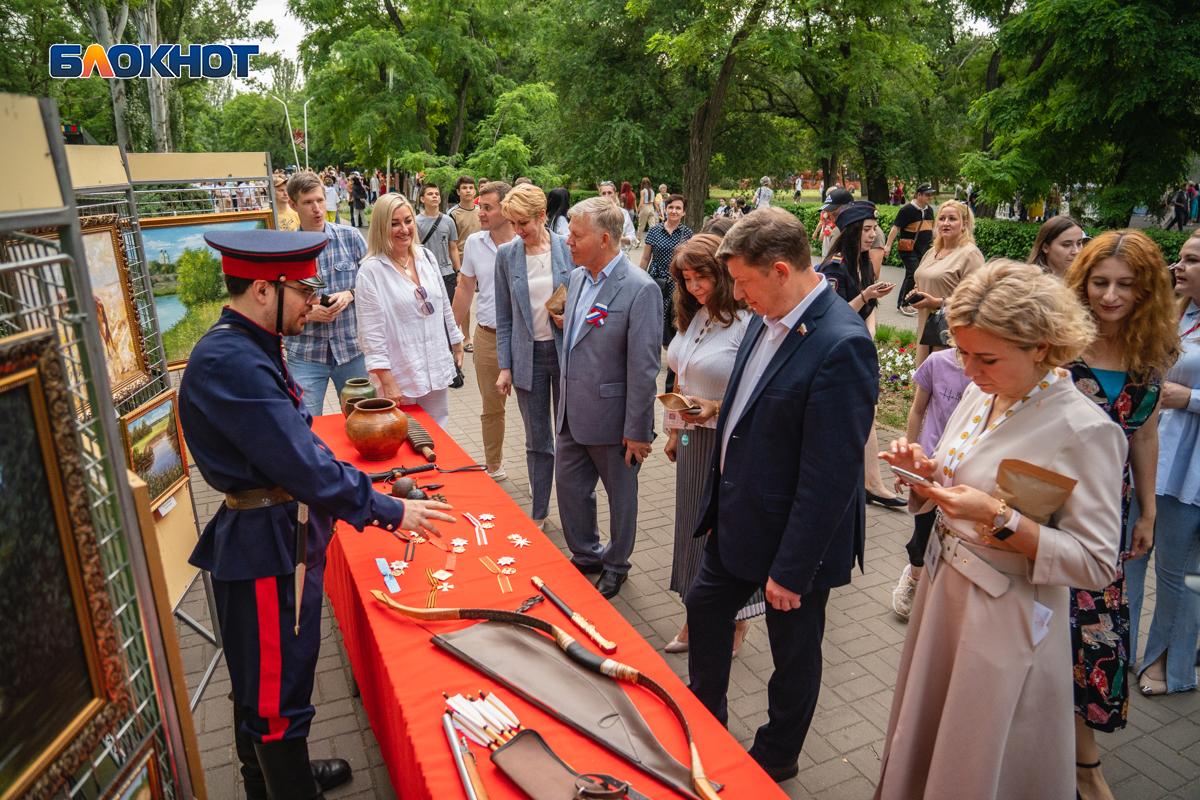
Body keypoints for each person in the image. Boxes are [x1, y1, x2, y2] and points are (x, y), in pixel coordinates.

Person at [179, 229, 453, 800]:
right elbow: (300, 464)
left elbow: (296, 445)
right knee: (273, 689)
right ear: (262, 289)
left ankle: (285, 776)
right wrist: (386, 509)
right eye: (304, 290)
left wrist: (368, 486)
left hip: (276, 533)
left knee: (266, 679)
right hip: (263, 545)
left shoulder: (249, 344)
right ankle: (283, 785)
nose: (315, 302)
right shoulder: (231, 361)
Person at [876, 259, 1125, 800]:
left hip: (1005, 613)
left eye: (985, 357)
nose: (967, 369)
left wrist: (1002, 520)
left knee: (975, 751)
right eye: (962, 352)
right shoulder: (980, 392)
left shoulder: (1086, 430)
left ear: (1041, 345)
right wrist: (923, 477)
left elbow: (1099, 562)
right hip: (945, 593)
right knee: (927, 730)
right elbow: (954, 479)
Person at [685, 207, 877, 782]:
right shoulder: (766, 316)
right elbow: (753, 412)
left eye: (742, 283)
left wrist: (792, 569)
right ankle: (705, 724)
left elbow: (831, 474)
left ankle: (777, 755)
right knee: (705, 605)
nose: (737, 296)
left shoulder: (841, 342)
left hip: (797, 538)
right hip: (742, 516)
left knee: (793, 651)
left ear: (780, 269)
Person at [1060, 230, 1179, 799]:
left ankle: (1084, 762)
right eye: (1099, 282)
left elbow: (1146, 432)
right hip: (1046, 509)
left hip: (1110, 513)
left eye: (1125, 285)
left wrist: (1148, 511)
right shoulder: (1056, 343)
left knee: (1096, 637)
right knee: (1034, 631)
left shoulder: (1151, 351)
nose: (1110, 295)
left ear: (1146, 290)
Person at [556, 196, 662, 599]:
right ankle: (586, 554)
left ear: (604, 239)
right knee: (568, 488)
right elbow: (584, 335)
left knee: (621, 498)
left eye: (576, 235)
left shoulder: (640, 289)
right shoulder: (580, 275)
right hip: (571, 412)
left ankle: (616, 563)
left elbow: (644, 368)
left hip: (615, 421)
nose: (568, 240)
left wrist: (639, 431)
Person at [661, 234, 756, 654]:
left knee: (724, 536)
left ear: (723, 273)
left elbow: (755, 395)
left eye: (702, 276)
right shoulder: (697, 314)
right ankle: (695, 611)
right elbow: (681, 377)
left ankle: (735, 621)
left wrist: (714, 408)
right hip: (692, 440)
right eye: (686, 278)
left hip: (729, 446)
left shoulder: (748, 324)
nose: (695, 286)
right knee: (691, 531)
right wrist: (674, 430)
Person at [1128, 230, 1200, 697]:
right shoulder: (1176, 313)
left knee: (1177, 571)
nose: (1178, 266)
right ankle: (1115, 650)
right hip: (1148, 455)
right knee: (1129, 559)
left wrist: (1190, 398)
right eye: (1179, 258)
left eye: (1191, 260)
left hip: (1191, 470)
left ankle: (1169, 665)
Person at [492, 184, 574, 524]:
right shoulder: (507, 255)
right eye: (512, 223)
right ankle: (538, 513)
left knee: (570, 439)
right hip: (528, 359)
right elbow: (504, 316)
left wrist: (573, 317)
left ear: (543, 215)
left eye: (522, 222)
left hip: (566, 355)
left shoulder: (568, 249)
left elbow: (593, 302)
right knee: (537, 441)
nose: (518, 230)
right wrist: (505, 367)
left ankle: (575, 516)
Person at [355, 193, 465, 429]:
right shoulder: (371, 271)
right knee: (406, 440)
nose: (404, 229)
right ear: (381, 227)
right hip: (400, 373)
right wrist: (387, 381)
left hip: (434, 365)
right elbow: (371, 335)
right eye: (394, 223)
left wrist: (456, 340)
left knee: (438, 436)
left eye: (408, 220)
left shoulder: (426, 257)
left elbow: (443, 303)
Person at [888, 346, 971, 619]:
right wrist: (909, 457)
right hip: (928, 464)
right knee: (922, 533)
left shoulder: (986, 371)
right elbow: (917, 410)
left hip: (964, 467)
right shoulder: (937, 362)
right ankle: (913, 577)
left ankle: (937, 594)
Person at [283, 172, 369, 417]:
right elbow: (277, 303)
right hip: (306, 353)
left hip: (351, 349)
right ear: (293, 205)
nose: (317, 209)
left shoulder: (350, 237)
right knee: (305, 424)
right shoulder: (286, 250)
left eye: (320, 200)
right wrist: (309, 312)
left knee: (362, 419)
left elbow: (374, 285)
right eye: (308, 203)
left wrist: (350, 294)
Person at [453, 181, 516, 481]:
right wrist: (452, 333)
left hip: (529, 339)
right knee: (491, 408)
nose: (480, 212)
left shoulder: (528, 238)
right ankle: (494, 465)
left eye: (487, 207)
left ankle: (538, 473)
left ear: (507, 209)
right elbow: (465, 287)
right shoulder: (476, 244)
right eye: (480, 206)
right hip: (488, 337)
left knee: (536, 412)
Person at [906, 199, 985, 367]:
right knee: (924, 384)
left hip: (951, 335)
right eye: (942, 219)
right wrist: (915, 293)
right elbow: (923, 281)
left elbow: (976, 300)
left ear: (964, 224)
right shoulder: (932, 252)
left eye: (952, 219)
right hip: (925, 331)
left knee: (943, 387)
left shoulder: (970, 254)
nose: (946, 223)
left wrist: (936, 302)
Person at [640, 194, 693, 393]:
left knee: (673, 318)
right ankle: (651, 353)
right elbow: (645, 259)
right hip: (655, 281)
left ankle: (671, 353)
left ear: (684, 212)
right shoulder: (654, 231)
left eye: (678, 208)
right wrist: (640, 279)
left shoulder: (687, 234)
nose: (674, 211)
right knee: (653, 317)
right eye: (671, 207)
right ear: (665, 208)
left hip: (677, 284)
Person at [886, 183, 936, 315]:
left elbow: (933, 229)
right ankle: (904, 303)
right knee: (913, 273)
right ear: (919, 195)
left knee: (914, 275)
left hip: (924, 249)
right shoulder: (907, 210)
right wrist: (888, 246)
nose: (930, 197)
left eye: (931, 194)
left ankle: (903, 302)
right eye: (927, 195)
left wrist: (937, 245)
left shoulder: (929, 211)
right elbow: (895, 228)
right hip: (908, 249)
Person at [414, 183, 462, 306]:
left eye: (436, 194)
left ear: (440, 198)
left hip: (446, 273)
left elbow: (453, 248)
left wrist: (459, 272)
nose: (434, 196)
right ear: (422, 199)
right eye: (430, 194)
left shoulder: (448, 221)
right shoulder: (416, 222)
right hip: (425, 273)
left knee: (448, 311)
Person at [449, 175, 481, 351]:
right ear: (458, 192)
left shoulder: (481, 210)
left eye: (470, 187)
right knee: (465, 299)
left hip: (482, 259)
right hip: (462, 261)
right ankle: (466, 337)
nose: (468, 190)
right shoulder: (453, 214)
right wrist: (458, 269)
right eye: (464, 188)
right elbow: (451, 244)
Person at [814, 187, 853, 259]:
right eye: (829, 215)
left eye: (835, 214)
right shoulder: (837, 231)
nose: (833, 220)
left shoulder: (866, 231)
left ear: (849, 208)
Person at [598, 181, 636, 247]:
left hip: (619, 252)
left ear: (615, 194)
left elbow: (631, 236)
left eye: (609, 193)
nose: (607, 196)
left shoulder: (623, 213)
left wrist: (619, 239)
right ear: (600, 195)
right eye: (604, 193)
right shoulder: (593, 213)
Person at [636, 177, 657, 241]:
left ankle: (638, 240)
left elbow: (641, 202)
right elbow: (655, 202)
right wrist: (658, 210)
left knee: (641, 225)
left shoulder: (643, 191)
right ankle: (654, 239)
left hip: (645, 207)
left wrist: (637, 211)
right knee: (652, 225)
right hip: (651, 207)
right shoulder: (652, 191)